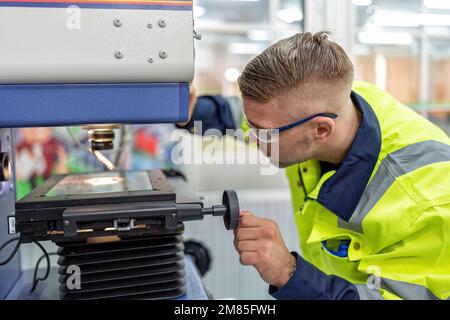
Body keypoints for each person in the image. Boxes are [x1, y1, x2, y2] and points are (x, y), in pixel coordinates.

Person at [185, 32, 450, 300]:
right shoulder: (336, 103)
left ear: (321, 129)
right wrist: (188, 112)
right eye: (250, 125)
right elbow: (252, 116)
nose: (251, 138)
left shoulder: (429, 206)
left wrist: (289, 273)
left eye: (262, 133)